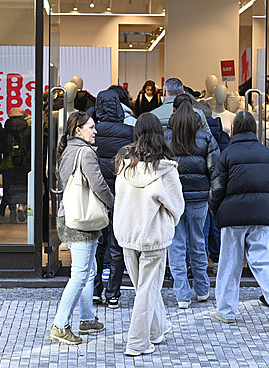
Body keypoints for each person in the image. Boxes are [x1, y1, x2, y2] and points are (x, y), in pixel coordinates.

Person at [209, 111, 269, 331]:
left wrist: (216, 211)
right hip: (261, 214)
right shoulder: (266, 153)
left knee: (230, 263)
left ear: (234, 129)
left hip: (232, 215)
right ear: (254, 129)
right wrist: (267, 207)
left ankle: (226, 311)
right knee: (264, 260)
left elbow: (217, 188)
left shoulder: (227, 154)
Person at [113, 113, 184, 356]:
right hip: (153, 236)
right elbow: (177, 205)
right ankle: (137, 342)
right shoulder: (165, 168)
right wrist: (169, 222)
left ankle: (157, 329)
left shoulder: (123, 163)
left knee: (143, 288)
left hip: (127, 234)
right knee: (147, 289)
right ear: (159, 133)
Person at [50, 111, 114, 345]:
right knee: (79, 275)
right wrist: (113, 203)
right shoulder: (85, 152)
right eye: (91, 127)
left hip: (71, 216)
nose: (95, 131)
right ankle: (60, 325)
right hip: (82, 221)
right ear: (78, 130)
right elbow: (98, 184)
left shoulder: (68, 150)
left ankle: (86, 318)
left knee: (88, 270)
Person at [164, 96, 219, 309]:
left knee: (176, 245)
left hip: (173, 198)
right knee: (198, 242)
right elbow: (215, 170)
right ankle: (203, 290)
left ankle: (182, 294)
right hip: (199, 198)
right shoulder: (206, 138)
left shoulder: (165, 137)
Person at [91, 88, 135, 308]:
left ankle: (96, 290)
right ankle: (113, 294)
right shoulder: (128, 131)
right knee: (117, 248)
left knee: (99, 246)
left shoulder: (93, 131)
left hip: (98, 196)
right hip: (121, 196)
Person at [193, 100, 229, 270]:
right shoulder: (224, 137)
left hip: (198, 188)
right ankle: (217, 258)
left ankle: (202, 261)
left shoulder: (195, 137)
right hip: (218, 187)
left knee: (201, 228)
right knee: (216, 225)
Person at [0, 107, 30, 223]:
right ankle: (22, 206)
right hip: (24, 162)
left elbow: (2, 147)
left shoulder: (5, 129)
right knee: (22, 185)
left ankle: (12, 209)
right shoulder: (28, 129)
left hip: (8, 162)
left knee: (9, 185)